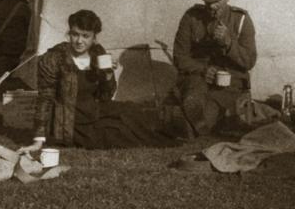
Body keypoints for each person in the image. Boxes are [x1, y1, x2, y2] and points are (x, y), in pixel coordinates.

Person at [19, 9, 178, 152]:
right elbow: (45, 99)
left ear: (94, 37)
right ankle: (162, 140)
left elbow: (105, 97)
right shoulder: (54, 58)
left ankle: (171, 133)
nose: (79, 41)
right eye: (75, 34)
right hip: (69, 121)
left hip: (93, 110)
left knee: (131, 110)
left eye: (85, 36)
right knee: (116, 133)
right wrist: (38, 141)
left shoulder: (98, 53)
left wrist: (108, 75)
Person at [173, 0, 257, 136]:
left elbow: (249, 61)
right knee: (193, 94)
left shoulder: (241, 20)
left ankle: (197, 123)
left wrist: (229, 42)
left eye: (216, 2)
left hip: (230, 81)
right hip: (199, 76)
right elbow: (179, 57)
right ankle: (194, 116)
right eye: (207, 2)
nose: (211, 7)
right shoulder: (191, 17)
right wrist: (203, 69)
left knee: (210, 109)